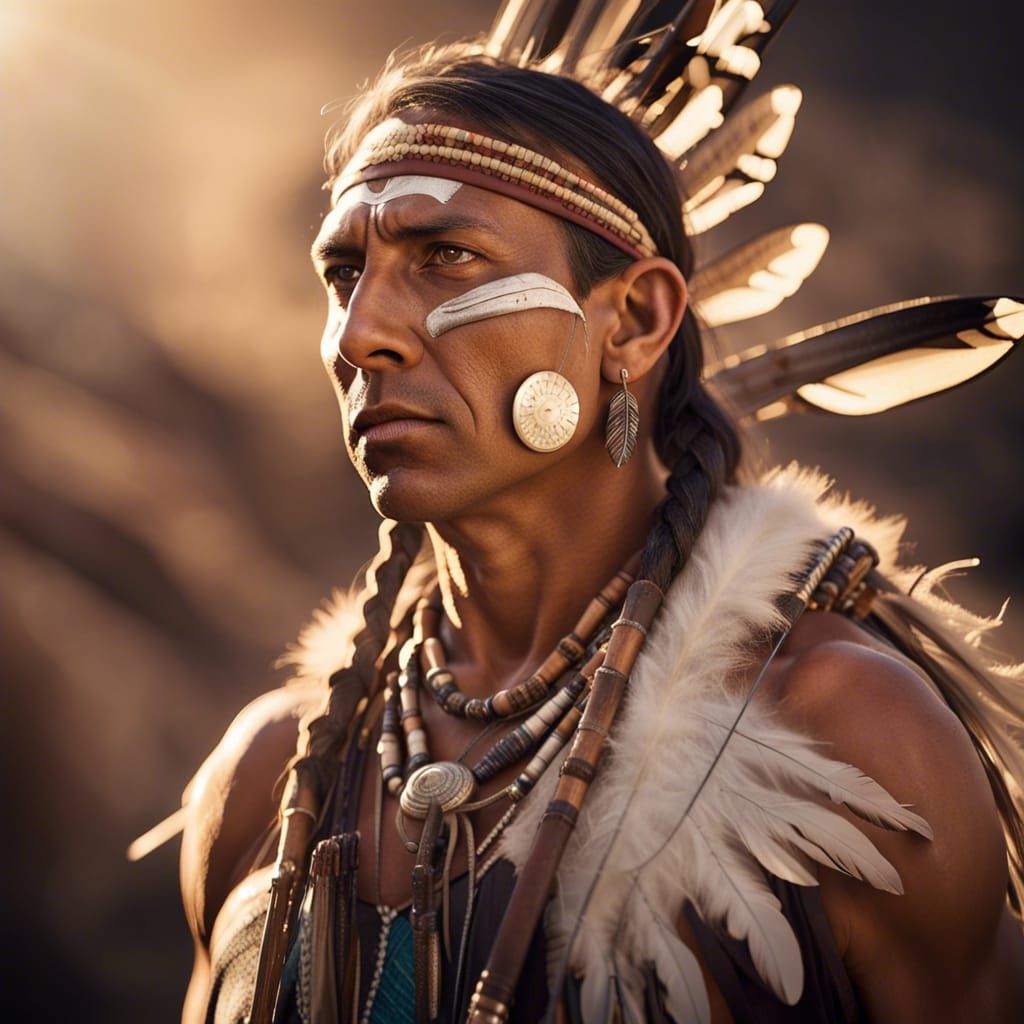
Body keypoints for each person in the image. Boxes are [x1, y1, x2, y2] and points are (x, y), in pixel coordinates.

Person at [176, 7, 1024, 1023]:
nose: (361, 335)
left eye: (444, 256)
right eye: (344, 274)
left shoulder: (850, 742)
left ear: (631, 322)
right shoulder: (274, 777)